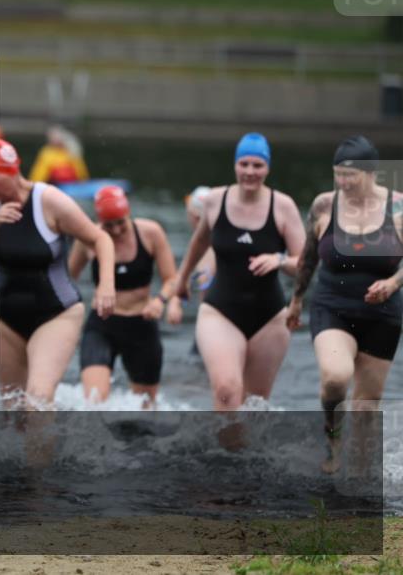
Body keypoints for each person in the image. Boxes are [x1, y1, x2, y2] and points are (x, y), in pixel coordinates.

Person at [0, 139, 115, 409]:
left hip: (55, 313)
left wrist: (106, 285)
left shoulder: (50, 200)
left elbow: (100, 239)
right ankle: (19, 453)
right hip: (1, 314)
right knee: (13, 408)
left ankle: (46, 452)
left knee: (37, 400)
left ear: (12, 172)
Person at [287, 136, 403, 473]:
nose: (342, 182)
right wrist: (295, 301)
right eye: (338, 174)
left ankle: (358, 481)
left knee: (366, 407)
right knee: (336, 377)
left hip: (382, 313)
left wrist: (394, 282)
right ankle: (333, 437)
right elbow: (308, 257)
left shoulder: (397, 208)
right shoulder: (324, 205)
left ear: (372, 173)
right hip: (332, 306)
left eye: (350, 175)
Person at [165, 133, 305, 411]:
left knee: (254, 404)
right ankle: (221, 454)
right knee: (227, 392)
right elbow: (199, 242)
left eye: (257, 165)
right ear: (235, 165)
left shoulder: (283, 206)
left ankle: (242, 453)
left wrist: (279, 259)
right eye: (244, 164)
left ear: (267, 168)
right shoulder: (216, 200)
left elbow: (304, 263)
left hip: (269, 317)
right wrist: (181, 281)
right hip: (220, 311)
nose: (250, 172)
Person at [68, 186, 178, 406]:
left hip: (142, 323)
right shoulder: (89, 239)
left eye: (121, 223)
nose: (117, 230)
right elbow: (68, 279)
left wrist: (161, 301)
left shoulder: (150, 233)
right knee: (94, 402)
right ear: (100, 222)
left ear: (129, 214)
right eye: (109, 225)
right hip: (102, 324)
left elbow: (172, 278)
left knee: (146, 407)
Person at [167, 186, 216, 355]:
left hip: (215, 325)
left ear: (195, 217)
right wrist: (175, 302)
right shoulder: (219, 242)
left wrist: (175, 303)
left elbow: (196, 278)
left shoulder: (210, 248)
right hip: (214, 322)